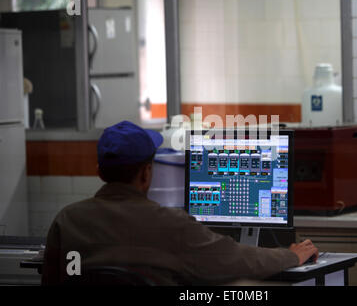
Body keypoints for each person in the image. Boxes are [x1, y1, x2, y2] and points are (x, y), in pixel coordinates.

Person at [42, 121, 318, 285]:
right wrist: (291, 255)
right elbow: (235, 259)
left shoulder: (68, 220)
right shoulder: (170, 225)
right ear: (147, 172)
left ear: (100, 172)